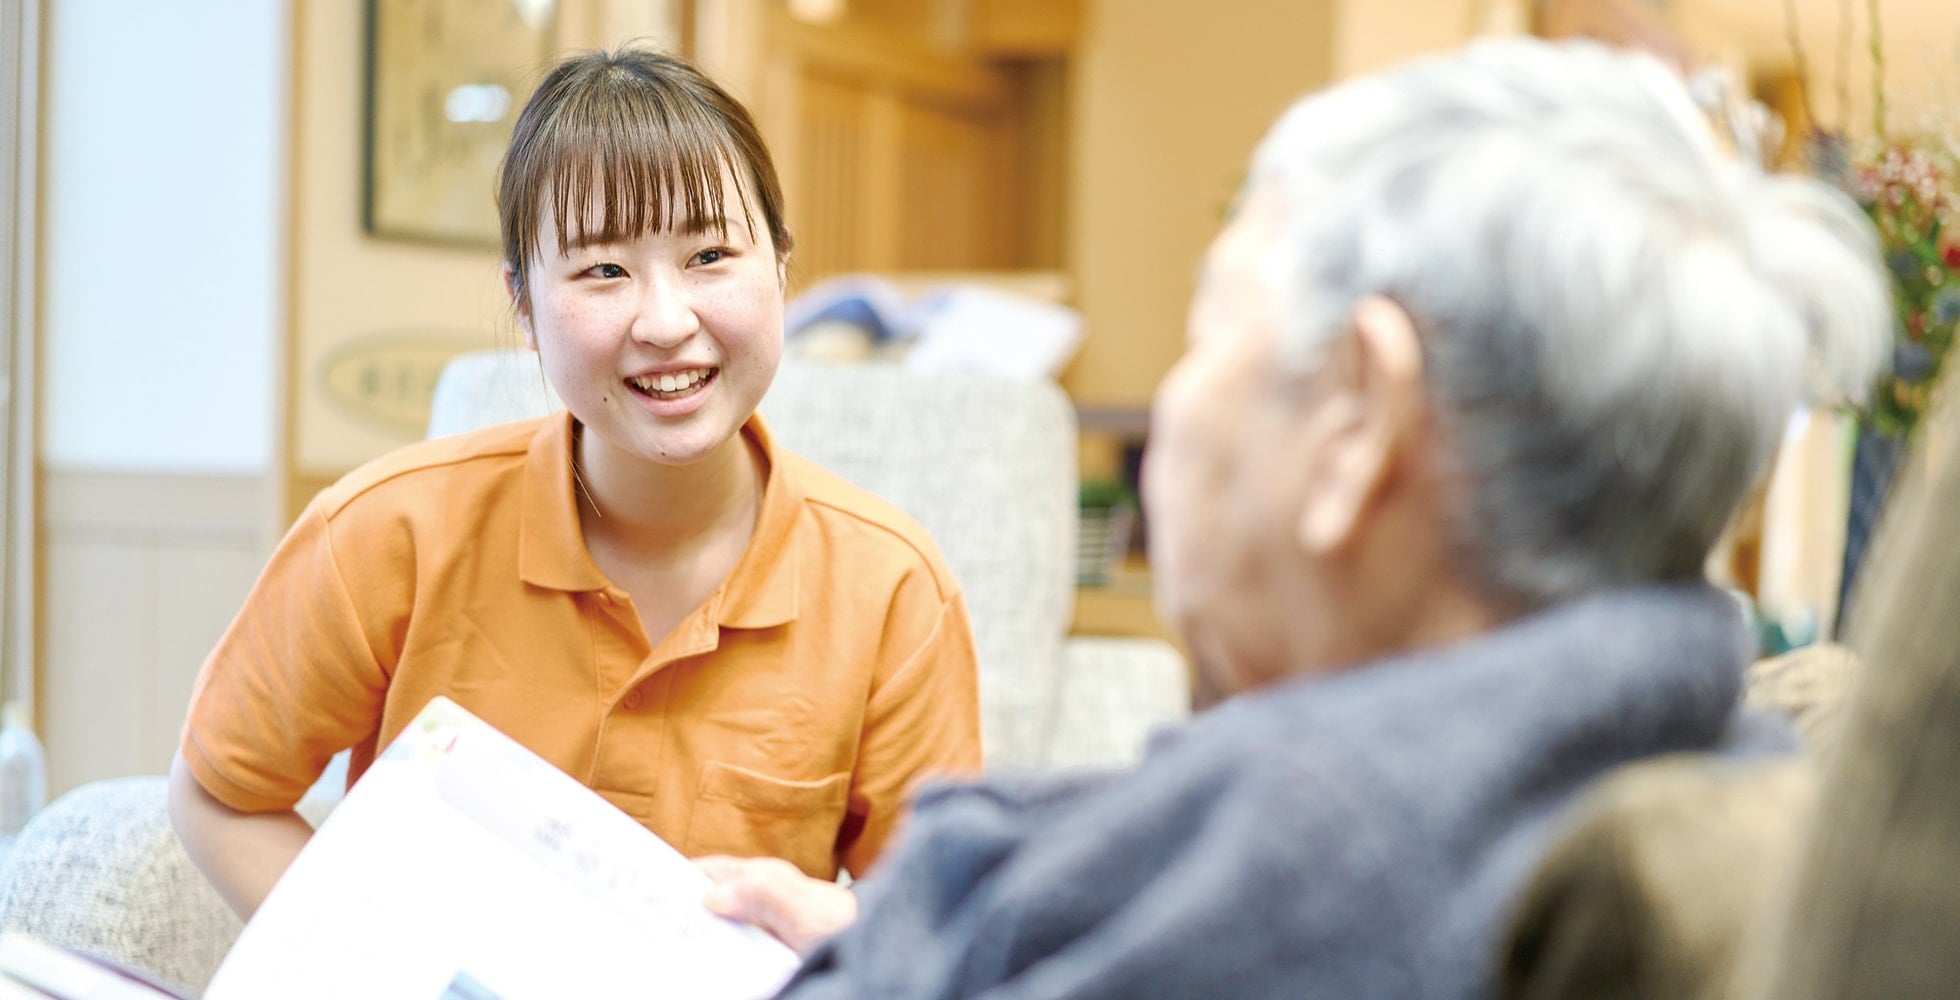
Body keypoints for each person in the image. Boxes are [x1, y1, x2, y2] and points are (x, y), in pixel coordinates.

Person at [696, 37, 1889, 998]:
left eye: (1209, 330)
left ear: (1358, 415)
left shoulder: (1306, 868)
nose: (1174, 398)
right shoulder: (1703, 768)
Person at [168, 48, 982, 919]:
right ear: (522, 302)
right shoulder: (383, 534)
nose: (667, 322)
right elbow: (222, 793)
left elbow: (945, 929)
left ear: (780, 268)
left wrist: (827, 927)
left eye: (710, 254)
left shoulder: (892, 587)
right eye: (603, 270)